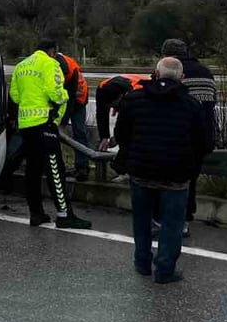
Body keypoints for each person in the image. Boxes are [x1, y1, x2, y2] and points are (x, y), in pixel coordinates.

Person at [114, 56, 208, 283]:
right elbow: (202, 142)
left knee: (142, 220)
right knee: (172, 224)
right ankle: (165, 269)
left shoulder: (133, 100)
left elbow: (121, 135)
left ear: (154, 74)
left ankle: (142, 262)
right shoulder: (191, 105)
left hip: (141, 171)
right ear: (182, 79)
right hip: (176, 174)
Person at [9, 36, 92, 229]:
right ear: (53, 50)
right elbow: (55, 92)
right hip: (45, 123)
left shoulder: (21, 66)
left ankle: (36, 214)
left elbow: (14, 95)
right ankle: (64, 214)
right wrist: (63, 97)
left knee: (33, 170)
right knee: (55, 169)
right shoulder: (50, 63)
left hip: (26, 124)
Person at [160, 38, 217, 236]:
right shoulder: (205, 71)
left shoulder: (169, 70)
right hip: (202, 138)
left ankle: (170, 220)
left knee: (169, 181)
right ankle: (185, 219)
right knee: (190, 181)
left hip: (177, 136)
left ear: (166, 54)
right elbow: (212, 105)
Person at [56, 52, 91, 179]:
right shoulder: (51, 63)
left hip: (78, 99)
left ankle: (82, 167)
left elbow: (69, 100)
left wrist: (63, 123)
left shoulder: (70, 69)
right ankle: (58, 166)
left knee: (79, 132)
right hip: (65, 98)